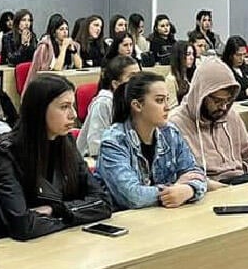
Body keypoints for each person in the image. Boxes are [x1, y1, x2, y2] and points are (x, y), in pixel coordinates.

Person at [0, 75, 112, 241]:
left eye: (72, 106)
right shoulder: (4, 153)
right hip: (10, 250)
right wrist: (76, 214)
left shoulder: (66, 142)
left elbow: (103, 203)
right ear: (40, 109)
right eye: (64, 107)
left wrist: (57, 210)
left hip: (58, 241)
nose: (73, 115)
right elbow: (23, 225)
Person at [95, 72, 207, 210]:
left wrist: (189, 190)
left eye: (167, 99)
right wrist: (175, 189)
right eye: (160, 101)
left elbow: (196, 172)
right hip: (128, 221)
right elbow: (132, 196)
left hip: (165, 216)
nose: (167, 107)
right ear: (137, 105)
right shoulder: (114, 142)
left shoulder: (170, 132)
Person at [170, 57, 248, 188]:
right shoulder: (175, 124)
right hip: (208, 189)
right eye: (218, 101)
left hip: (241, 182)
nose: (224, 107)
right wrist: (212, 187)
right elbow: (179, 175)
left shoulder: (230, 116)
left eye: (228, 101)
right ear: (201, 95)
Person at [77, 55, 140, 158]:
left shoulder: (137, 101)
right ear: (115, 84)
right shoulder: (104, 103)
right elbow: (96, 147)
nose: (139, 81)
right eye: (132, 77)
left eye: (140, 76)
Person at [26, 14, 83, 87]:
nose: (65, 32)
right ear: (54, 32)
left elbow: (79, 66)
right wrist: (64, 48)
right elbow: (57, 69)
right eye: (61, 29)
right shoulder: (45, 46)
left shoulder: (73, 45)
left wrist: (73, 51)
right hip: (47, 83)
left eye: (66, 29)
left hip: (65, 81)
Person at [220, 36, 248, 101]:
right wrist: (245, 93)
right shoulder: (224, 71)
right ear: (230, 55)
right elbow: (224, 95)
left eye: (244, 54)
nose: (242, 58)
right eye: (238, 55)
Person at [165, 41, 195, 109]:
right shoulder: (171, 79)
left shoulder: (191, 76)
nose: (192, 57)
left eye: (193, 54)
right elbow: (172, 107)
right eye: (188, 54)